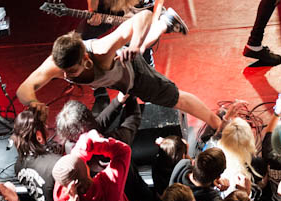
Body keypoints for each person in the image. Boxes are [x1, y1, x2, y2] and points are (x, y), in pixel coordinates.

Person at [16, 21, 222, 132]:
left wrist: (133, 46)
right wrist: (33, 103)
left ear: (85, 60)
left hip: (133, 74)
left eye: (70, 72)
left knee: (175, 99)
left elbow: (142, 17)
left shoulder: (102, 50)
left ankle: (217, 124)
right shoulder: (57, 64)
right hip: (113, 78)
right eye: (62, 71)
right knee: (137, 50)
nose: (63, 76)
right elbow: (23, 89)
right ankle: (166, 22)